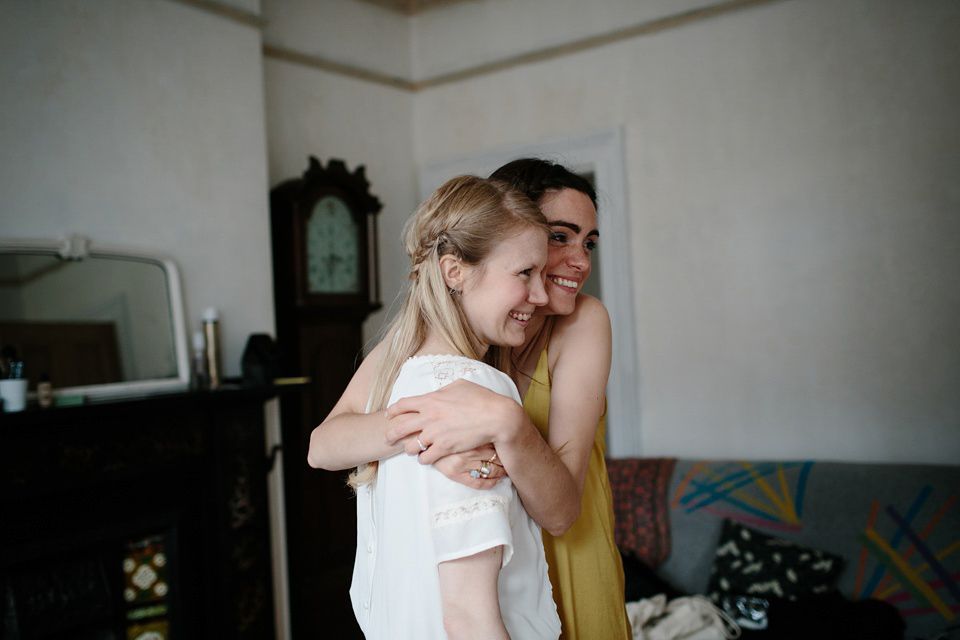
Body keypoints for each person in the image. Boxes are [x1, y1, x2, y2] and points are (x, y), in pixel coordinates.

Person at [309, 158, 631, 640]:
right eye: (560, 237)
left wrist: (505, 423)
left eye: (589, 242)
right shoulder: (438, 336)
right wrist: (426, 430)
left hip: (565, 558)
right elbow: (323, 445)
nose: (580, 260)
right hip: (488, 574)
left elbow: (561, 511)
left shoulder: (583, 322)